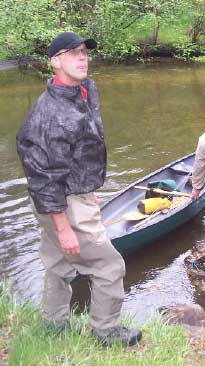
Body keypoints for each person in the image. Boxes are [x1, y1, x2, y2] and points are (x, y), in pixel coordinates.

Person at [16, 32, 142, 347]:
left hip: (68, 194)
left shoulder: (82, 90)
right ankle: (105, 331)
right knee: (108, 266)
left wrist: (86, 187)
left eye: (84, 51)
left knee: (58, 265)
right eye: (72, 53)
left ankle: (53, 325)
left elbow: (77, 150)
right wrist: (64, 226)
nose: (82, 57)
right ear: (55, 61)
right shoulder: (52, 115)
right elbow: (44, 175)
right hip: (60, 202)